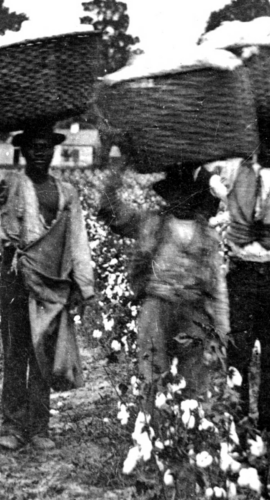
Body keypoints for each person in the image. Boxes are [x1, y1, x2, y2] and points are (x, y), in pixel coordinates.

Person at [0, 120, 95, 451]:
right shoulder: (9, 185)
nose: (40, 151)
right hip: (15, 274)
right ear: (22, 151)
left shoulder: (66, 193)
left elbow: (77, 239)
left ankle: (39, 426)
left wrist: (82, 284)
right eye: (33, 146)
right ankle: (12, 424)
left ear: (54, 150)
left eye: (46, 146)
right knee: (16, 349)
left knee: (43, 353)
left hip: (52, 278)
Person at [206, 123, 270, 432]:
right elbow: (212, 177)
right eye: (262, 141)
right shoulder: (236, 175)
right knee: (237, 353)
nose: (267, 148)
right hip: (241, 275)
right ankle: (239, 425)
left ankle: (268, 425)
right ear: (255, 144)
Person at [98, 162, 229, 402]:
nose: (183, 198)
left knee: (195, 381)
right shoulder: (152, 224)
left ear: (198, 196)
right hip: (157, 307)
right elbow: (111, 211)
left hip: (194, 310)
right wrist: (117, 171)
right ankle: (158, 433)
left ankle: (189, 436)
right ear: (168, 196)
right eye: (177, 192)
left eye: (189, 192)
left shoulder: (208, 235)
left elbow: (217, 285)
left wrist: (221, 329)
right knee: (154, 376)